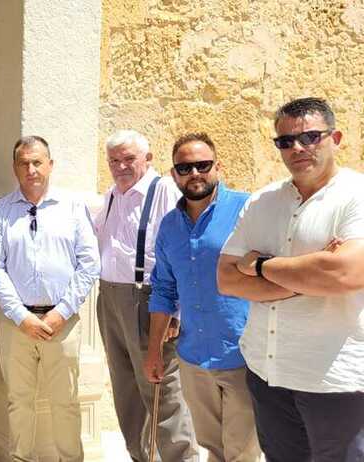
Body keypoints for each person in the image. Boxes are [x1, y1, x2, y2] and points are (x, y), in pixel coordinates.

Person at [217, 97, 364, 461]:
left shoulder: (355, 196)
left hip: (332, 379)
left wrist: (261, 265)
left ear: (336, 138)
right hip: (268, 372)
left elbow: (346, 272)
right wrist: (311, 276)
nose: (297, 148)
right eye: (285, 141)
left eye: (311, 137)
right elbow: (225, 278)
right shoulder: (263, 200)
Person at [142, 133, 259, 462]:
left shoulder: (247, 209)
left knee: (243, 454)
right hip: (194, 359)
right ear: (173, 173)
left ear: (218, 167)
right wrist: (154, 352)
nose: (194, 173)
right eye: (185, 167)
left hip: (243, 356)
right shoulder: (168, 227)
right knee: (213, 449)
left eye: (203, 165)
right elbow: (164, 289)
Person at [0, 136, 99, 461]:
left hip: (62, 322)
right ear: (14, 167)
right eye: (24, 163)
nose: (31, 169)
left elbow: (90, 263)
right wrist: (21, 315)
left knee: (66, 401)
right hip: (16, 324)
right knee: (19, 401)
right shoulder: (0, 211)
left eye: (37, 162)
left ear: (50, 164)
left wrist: (61, 312)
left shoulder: (73, 207)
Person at [95, 129, 199, 462]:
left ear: (148, 159)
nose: (121, 166)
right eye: (114, 160)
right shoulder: (112, 194)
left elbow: (183, 252)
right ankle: (141, 457)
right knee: (125, 387)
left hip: (149, 300)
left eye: (129, 159)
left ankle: (180, 458)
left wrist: (176, 313)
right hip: (110, 298)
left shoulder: (164, 191)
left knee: (160, 389)